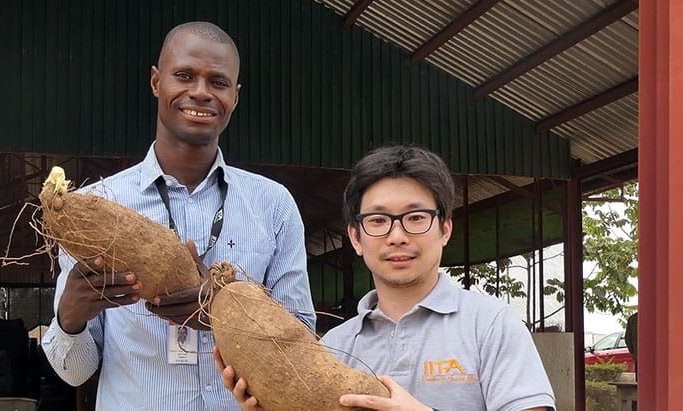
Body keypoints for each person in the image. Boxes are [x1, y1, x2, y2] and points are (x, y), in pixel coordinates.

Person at [41, 21, 316, 411]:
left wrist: (224, 313)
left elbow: (301, 341)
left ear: (234, 97)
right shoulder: (94, 207)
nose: (200, 93)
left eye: (218, 82)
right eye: (184, 75)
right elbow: (76, 372)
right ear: (156, 82)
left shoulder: (273, 204)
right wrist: (71, 317)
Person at [217, 145, 554, 410]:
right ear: (355, 237)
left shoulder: (492, 325)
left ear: (445, 229)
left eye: (415, 217)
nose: (397, 236)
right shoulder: (335, 346)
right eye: (378, 220)